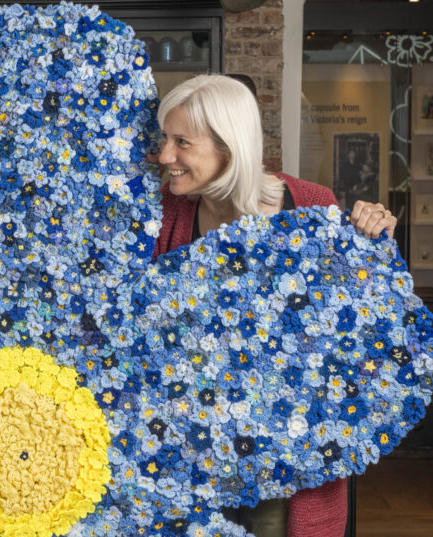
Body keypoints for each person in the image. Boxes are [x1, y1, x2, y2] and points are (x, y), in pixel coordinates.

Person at [152, 74, 396, 537]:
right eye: (166, 140)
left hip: (285, 457)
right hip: (193, 455)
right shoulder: (166, 213)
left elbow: (366, 324)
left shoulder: (311, 207)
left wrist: (374, 236)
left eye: (181, 142)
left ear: (228, 145)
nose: (166, 156)